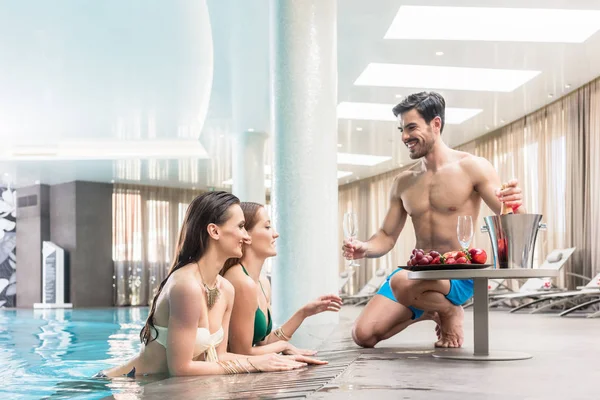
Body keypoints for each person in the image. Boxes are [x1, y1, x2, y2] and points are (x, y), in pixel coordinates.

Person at [342, 92, 525, 349]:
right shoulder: (403, 182)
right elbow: (386, 235)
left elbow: (509, 218)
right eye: (402, 129)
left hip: (457, 275)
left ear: (436, 124)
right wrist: (365, 247)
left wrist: (513, 202)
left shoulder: (472, 167)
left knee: (400, 280)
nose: (404, 136)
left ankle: (450, 311)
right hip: (418, 275)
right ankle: (431, 310)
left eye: (411, 127)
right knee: (363, 335)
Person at [97, 191, 325, 378]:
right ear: (214, 230)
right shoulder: (186, 285)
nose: (246, 237)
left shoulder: (225, 289)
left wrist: (273, 359)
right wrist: (253, 364)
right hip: (120, 387)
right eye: (241, 227)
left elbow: (221, 356)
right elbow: (181, 368)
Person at [222, 202, 343, 355]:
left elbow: (264, 343)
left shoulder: (263, 283)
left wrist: (303, 313)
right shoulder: (240, 280)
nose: (275, 234)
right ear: (246, 236)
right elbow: (242, 353)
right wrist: (284, 347)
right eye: (267, 227)